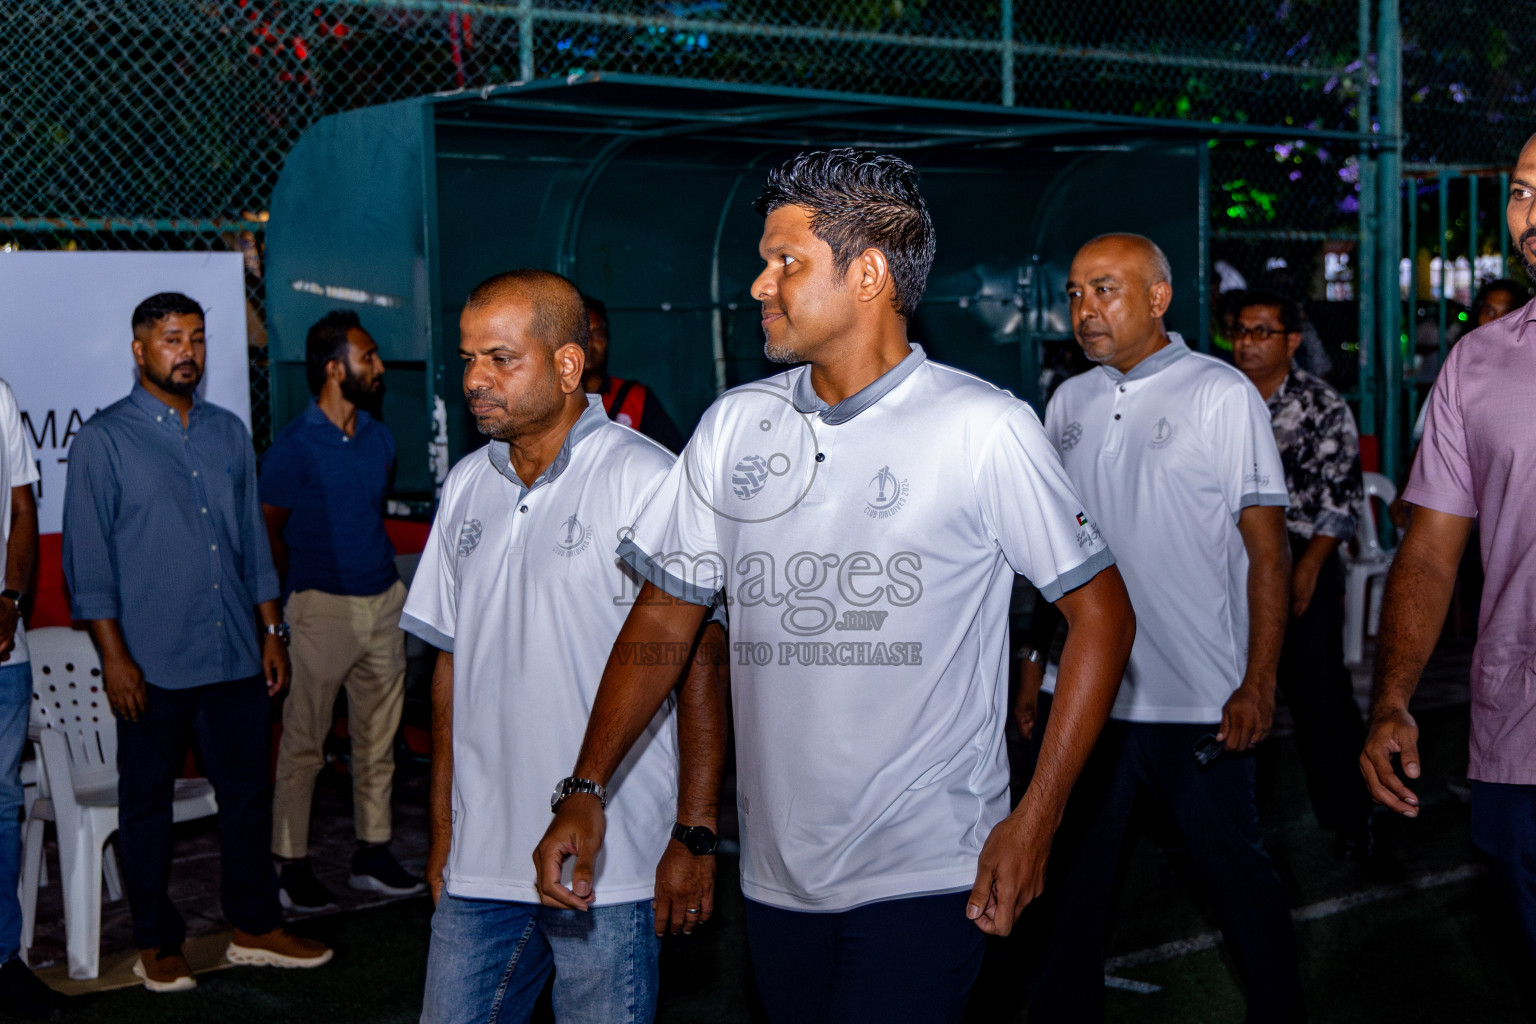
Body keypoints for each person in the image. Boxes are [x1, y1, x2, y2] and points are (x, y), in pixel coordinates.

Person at [537, 149, 1136, 1024]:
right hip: (777, 878)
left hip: (928, 865)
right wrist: (587, 788)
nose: (759, 286)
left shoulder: (983, 428)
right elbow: (664, 618)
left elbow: (1104, 618)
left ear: (867, 275)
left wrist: (1036, 817)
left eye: (786, 263)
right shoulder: (734, 426)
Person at [402, 270, 725, 1024]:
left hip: (608, 862)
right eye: (468, 359)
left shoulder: (647, 476)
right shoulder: (464, 487)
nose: (475, 380)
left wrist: (695, 834)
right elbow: (451, 665)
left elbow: (700, 662)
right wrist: (446, 832)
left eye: (500, 359)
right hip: (481, 862)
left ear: (568, 365)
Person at [1032, 235, 1303, 1023]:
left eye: (1105, 289)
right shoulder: (1066, 403)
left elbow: (1267, 551)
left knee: (1236, 883)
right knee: (1070, 888)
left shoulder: (1221, 394)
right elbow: (1049, 557)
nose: (1086, 309)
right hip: (1086, 698)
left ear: (1157, 298)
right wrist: (1034, 674)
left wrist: (1257, 683)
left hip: (1197, 699)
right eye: (1077, 293)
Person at [62, 292, 331, 993]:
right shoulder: (105, 440)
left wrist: (271, 630)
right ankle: (157, 941)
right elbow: (87, 565)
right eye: (172, 338)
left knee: (246, 794)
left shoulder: (227, 432)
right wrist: (115, 656)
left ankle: (254, 926)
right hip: (149, 663)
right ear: (140, 350)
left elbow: (251, 544)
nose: (188, 351)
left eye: (198, 339)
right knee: (146, 803)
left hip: (234, 652)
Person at [1362, 134, 1536, 972]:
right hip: (1518, 738)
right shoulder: (1477, 364)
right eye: (1523, 192)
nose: (1530, 214)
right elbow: (1430, 552)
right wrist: (1392, 697)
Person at [262, 310, 423, 911]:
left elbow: (369, 511)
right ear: (335, 369)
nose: (379, 367)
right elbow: (270, 530)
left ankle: (372, 853)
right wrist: (293, 599)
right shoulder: (294, 447)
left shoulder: (380, 438)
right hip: (318, 609)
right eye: (369, 357)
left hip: (383, 601)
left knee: (377, 740)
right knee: (305, 742)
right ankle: (290, 862)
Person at [1231, 289, 1374, 860]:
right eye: (1241, 330)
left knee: (1318, 693)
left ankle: (1350, 819)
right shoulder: (1220, 397)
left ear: (1292, 341)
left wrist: (1308, 568)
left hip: (1304, 551)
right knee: (1231, 693)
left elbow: (1343, 498)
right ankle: (1231, 828)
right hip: (1233, 560)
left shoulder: (1321, 405)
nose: (1247, 342)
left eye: (1262, 331)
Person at [0, 377, 68, 1020]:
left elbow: (23, 510)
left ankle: (1, 961)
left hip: (3, 654)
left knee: (1, 809)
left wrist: (10, 600)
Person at [581, 296, 687, 453]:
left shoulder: (635, 397)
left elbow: (673, 456)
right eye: (581, 335)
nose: (589, 343)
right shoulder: (554, 400)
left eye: (598, 334)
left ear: (608, 340)